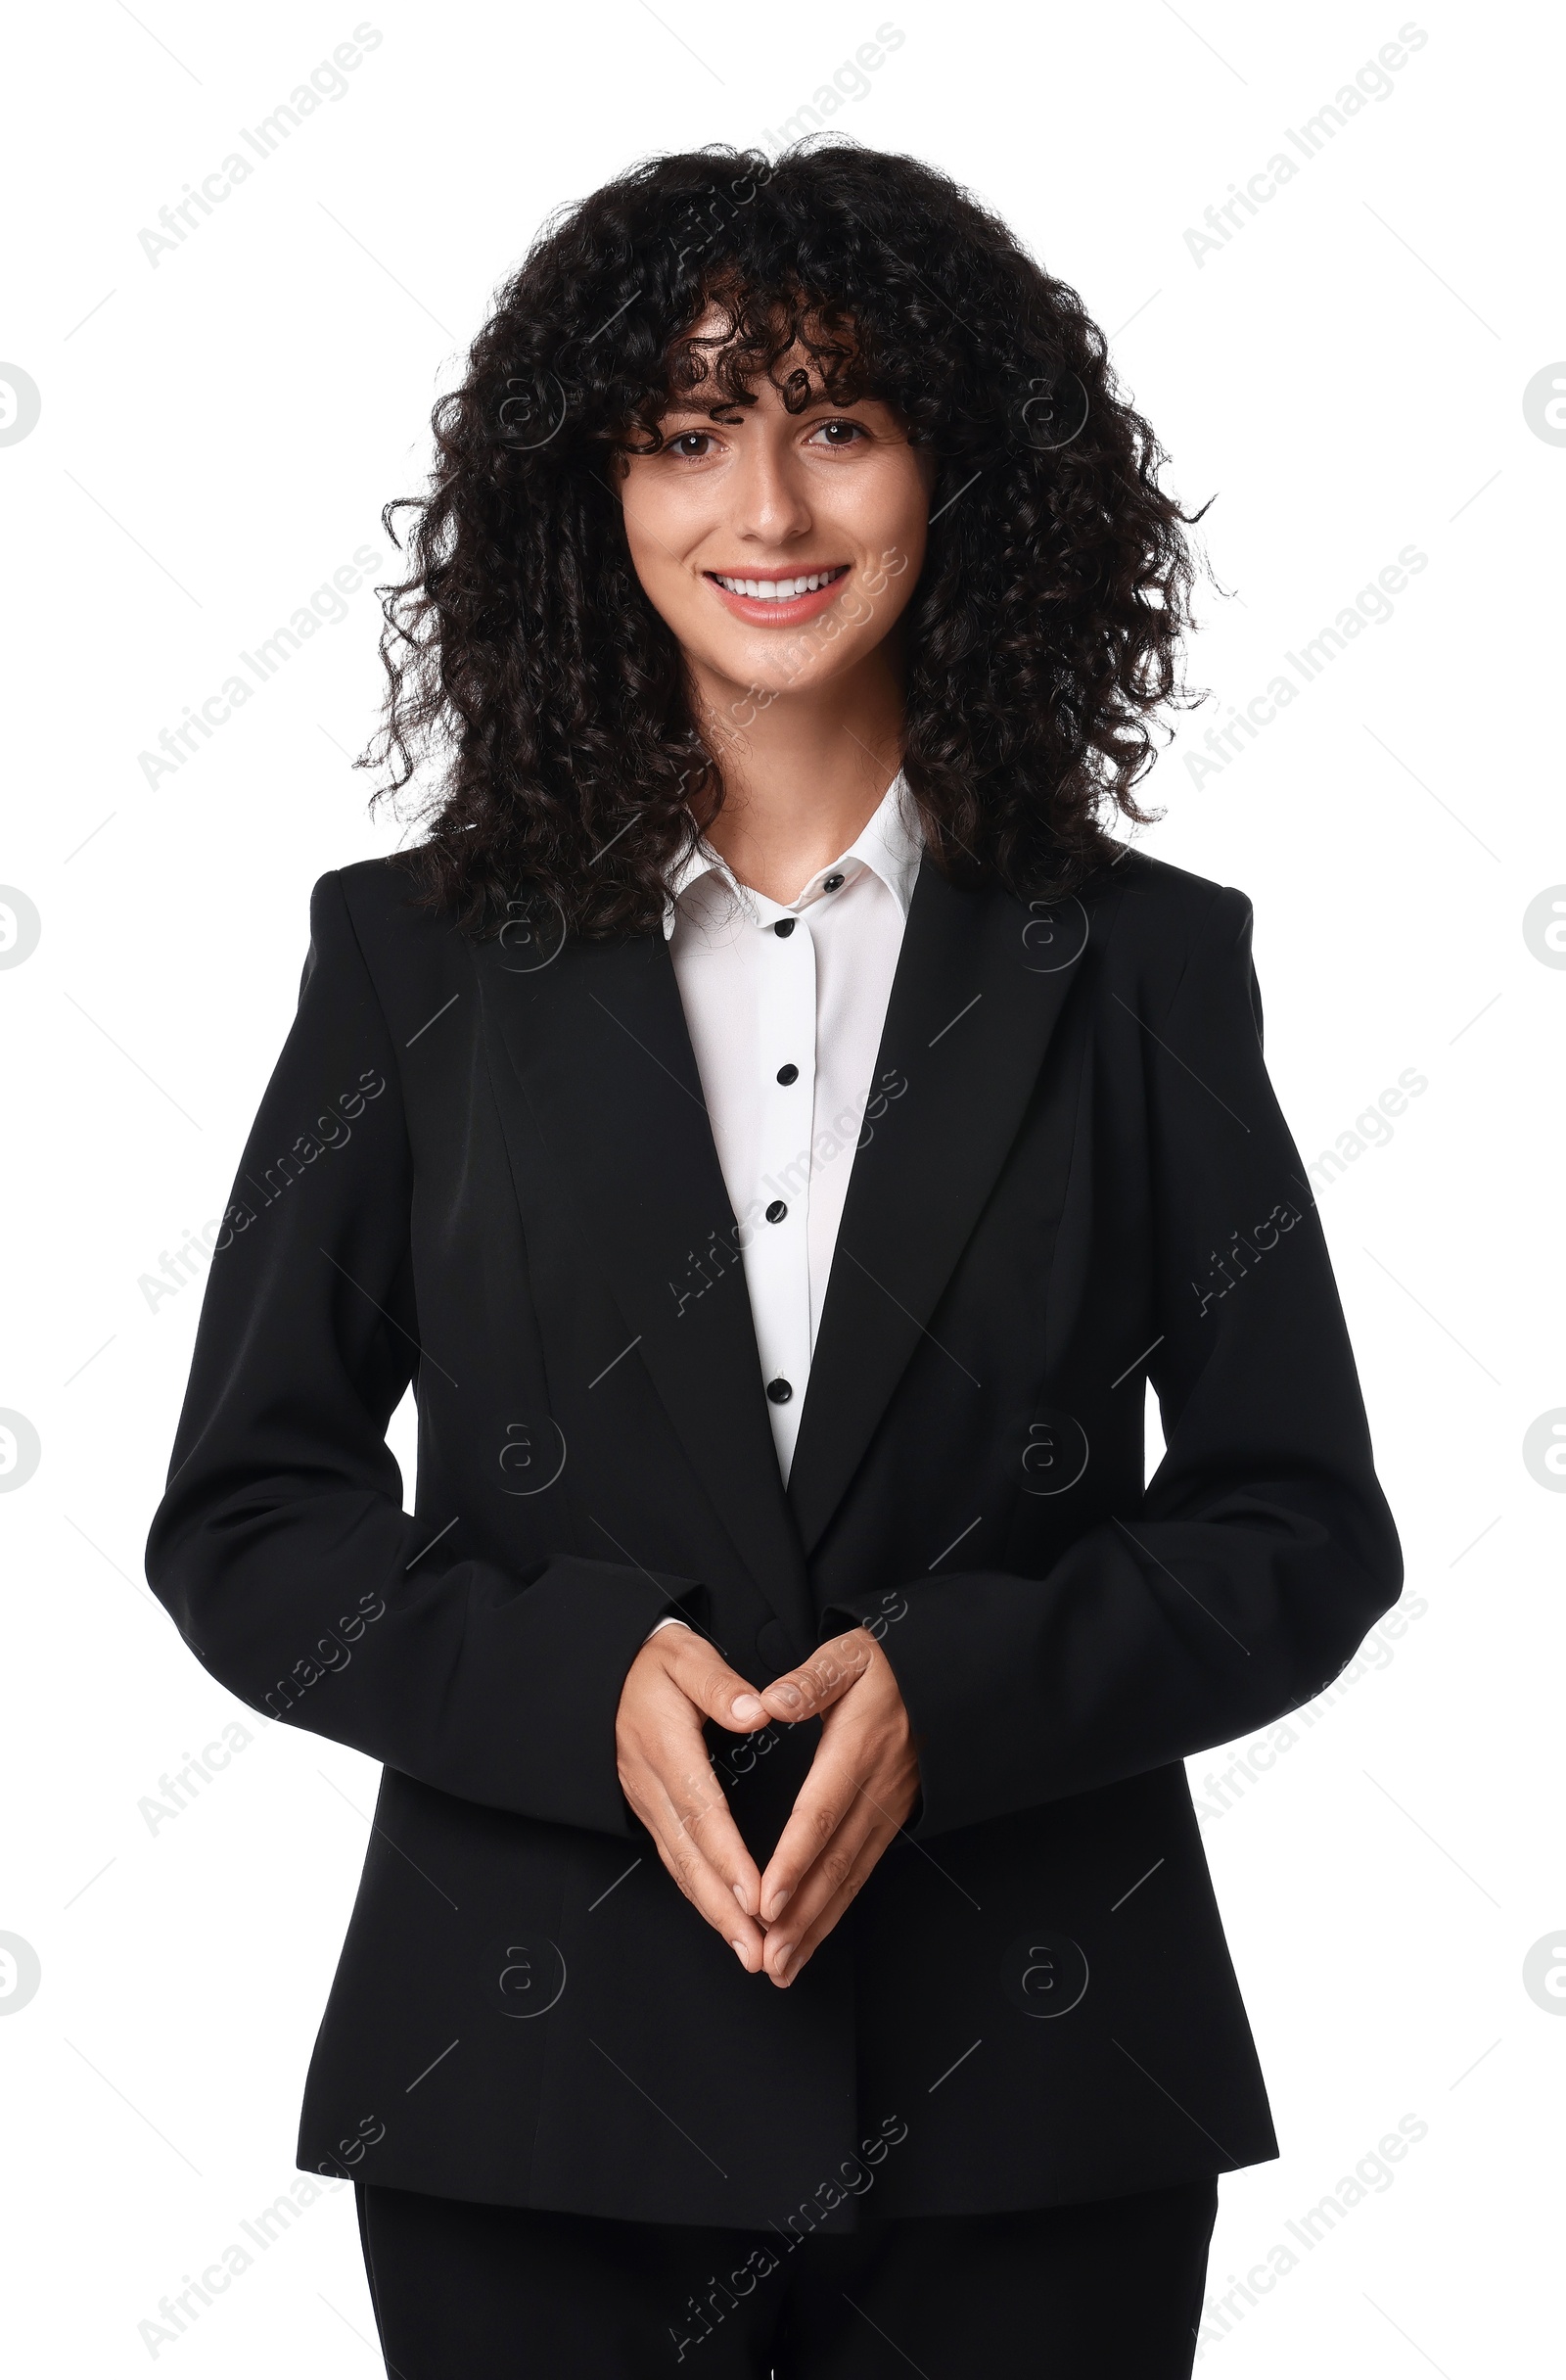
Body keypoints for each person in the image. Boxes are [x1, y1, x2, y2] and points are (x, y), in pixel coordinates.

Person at [145, 141, 1403, 2377]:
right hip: (526, 2110)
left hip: (1037, 2111)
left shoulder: (1140, 968)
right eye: (686, 431)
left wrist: (961, 1684)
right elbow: (250, 1516)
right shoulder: (412, 962)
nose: (768, 512)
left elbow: (1295, 1526)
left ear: (955, 470)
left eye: (836, 421)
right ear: (589, 492)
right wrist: (565, 1675)